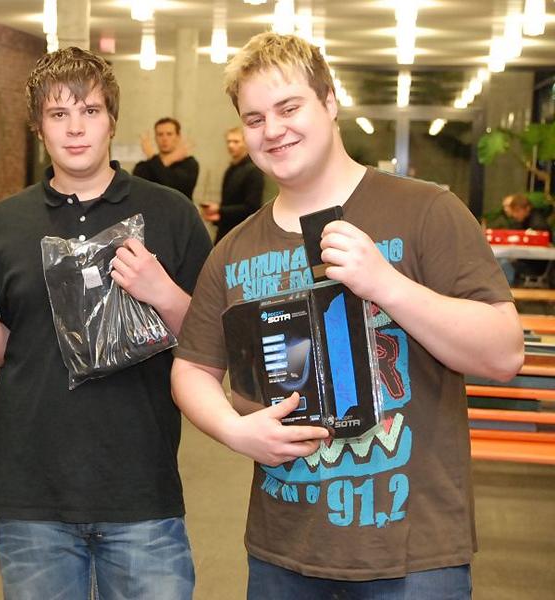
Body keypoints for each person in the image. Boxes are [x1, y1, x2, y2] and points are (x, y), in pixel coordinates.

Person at [170, 32, 524, 599]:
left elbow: (503, 352)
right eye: (255, 118)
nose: (273, 130)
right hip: (284, 552)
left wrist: (385, 283)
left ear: (330, 102)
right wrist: (234, 430)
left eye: (289, 108)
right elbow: (192, 368)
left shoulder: (425, 210)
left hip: (413, 555)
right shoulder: (234, 250)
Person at [0, 47, 212, 599]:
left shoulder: (170, 213)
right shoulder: (7, 220)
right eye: (58, 114)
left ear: (112, 119)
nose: (76, 128)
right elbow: (1, 351)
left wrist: (161, 292)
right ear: (39, 127)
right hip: (32, 491)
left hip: (140, 488)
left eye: (89, 111)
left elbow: (210, 340)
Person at [200, 126, 265, 242]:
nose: (230, 145)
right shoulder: (231, 169)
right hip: (228, 231)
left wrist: (219, 210)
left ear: (246, 143)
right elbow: (230, 202)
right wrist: (218, 216)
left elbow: (252, 207)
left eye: (236, 141)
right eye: (228, 141)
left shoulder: (253, 171)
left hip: (243, 234)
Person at [133, 117, 200, 200]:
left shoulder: (189, 164)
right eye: (160, 134)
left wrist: (153, 157)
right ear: (155, 138)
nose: (164, 139)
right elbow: (139, 190)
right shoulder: (143, 166)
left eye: (169, 134)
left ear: (178, 137)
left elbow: (174, 189)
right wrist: (168, 160)